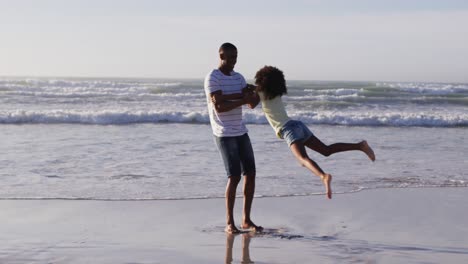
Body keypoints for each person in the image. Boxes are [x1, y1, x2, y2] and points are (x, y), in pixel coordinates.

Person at [252, 65, 376, 199]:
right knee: (326, 150)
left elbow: (251, 104)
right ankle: (360, 146)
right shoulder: (275, 92)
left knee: (302, 159)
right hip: (298, 125)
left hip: (288, 129)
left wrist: (246, 90)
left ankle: (323, 176)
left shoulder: (260, 93)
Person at [204, 43, 262, 234]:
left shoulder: (239, 78)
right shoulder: (213, 77)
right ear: (221, 56)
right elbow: (219, 107)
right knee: (234, 176)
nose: (233, 61)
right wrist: (243, 98)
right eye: (230, 58)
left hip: (240, 131)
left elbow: (251, 104)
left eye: (236, 57)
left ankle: (246, 219)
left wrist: (256, 94)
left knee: (251, 173)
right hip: (224, 133)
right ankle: (230, 222)